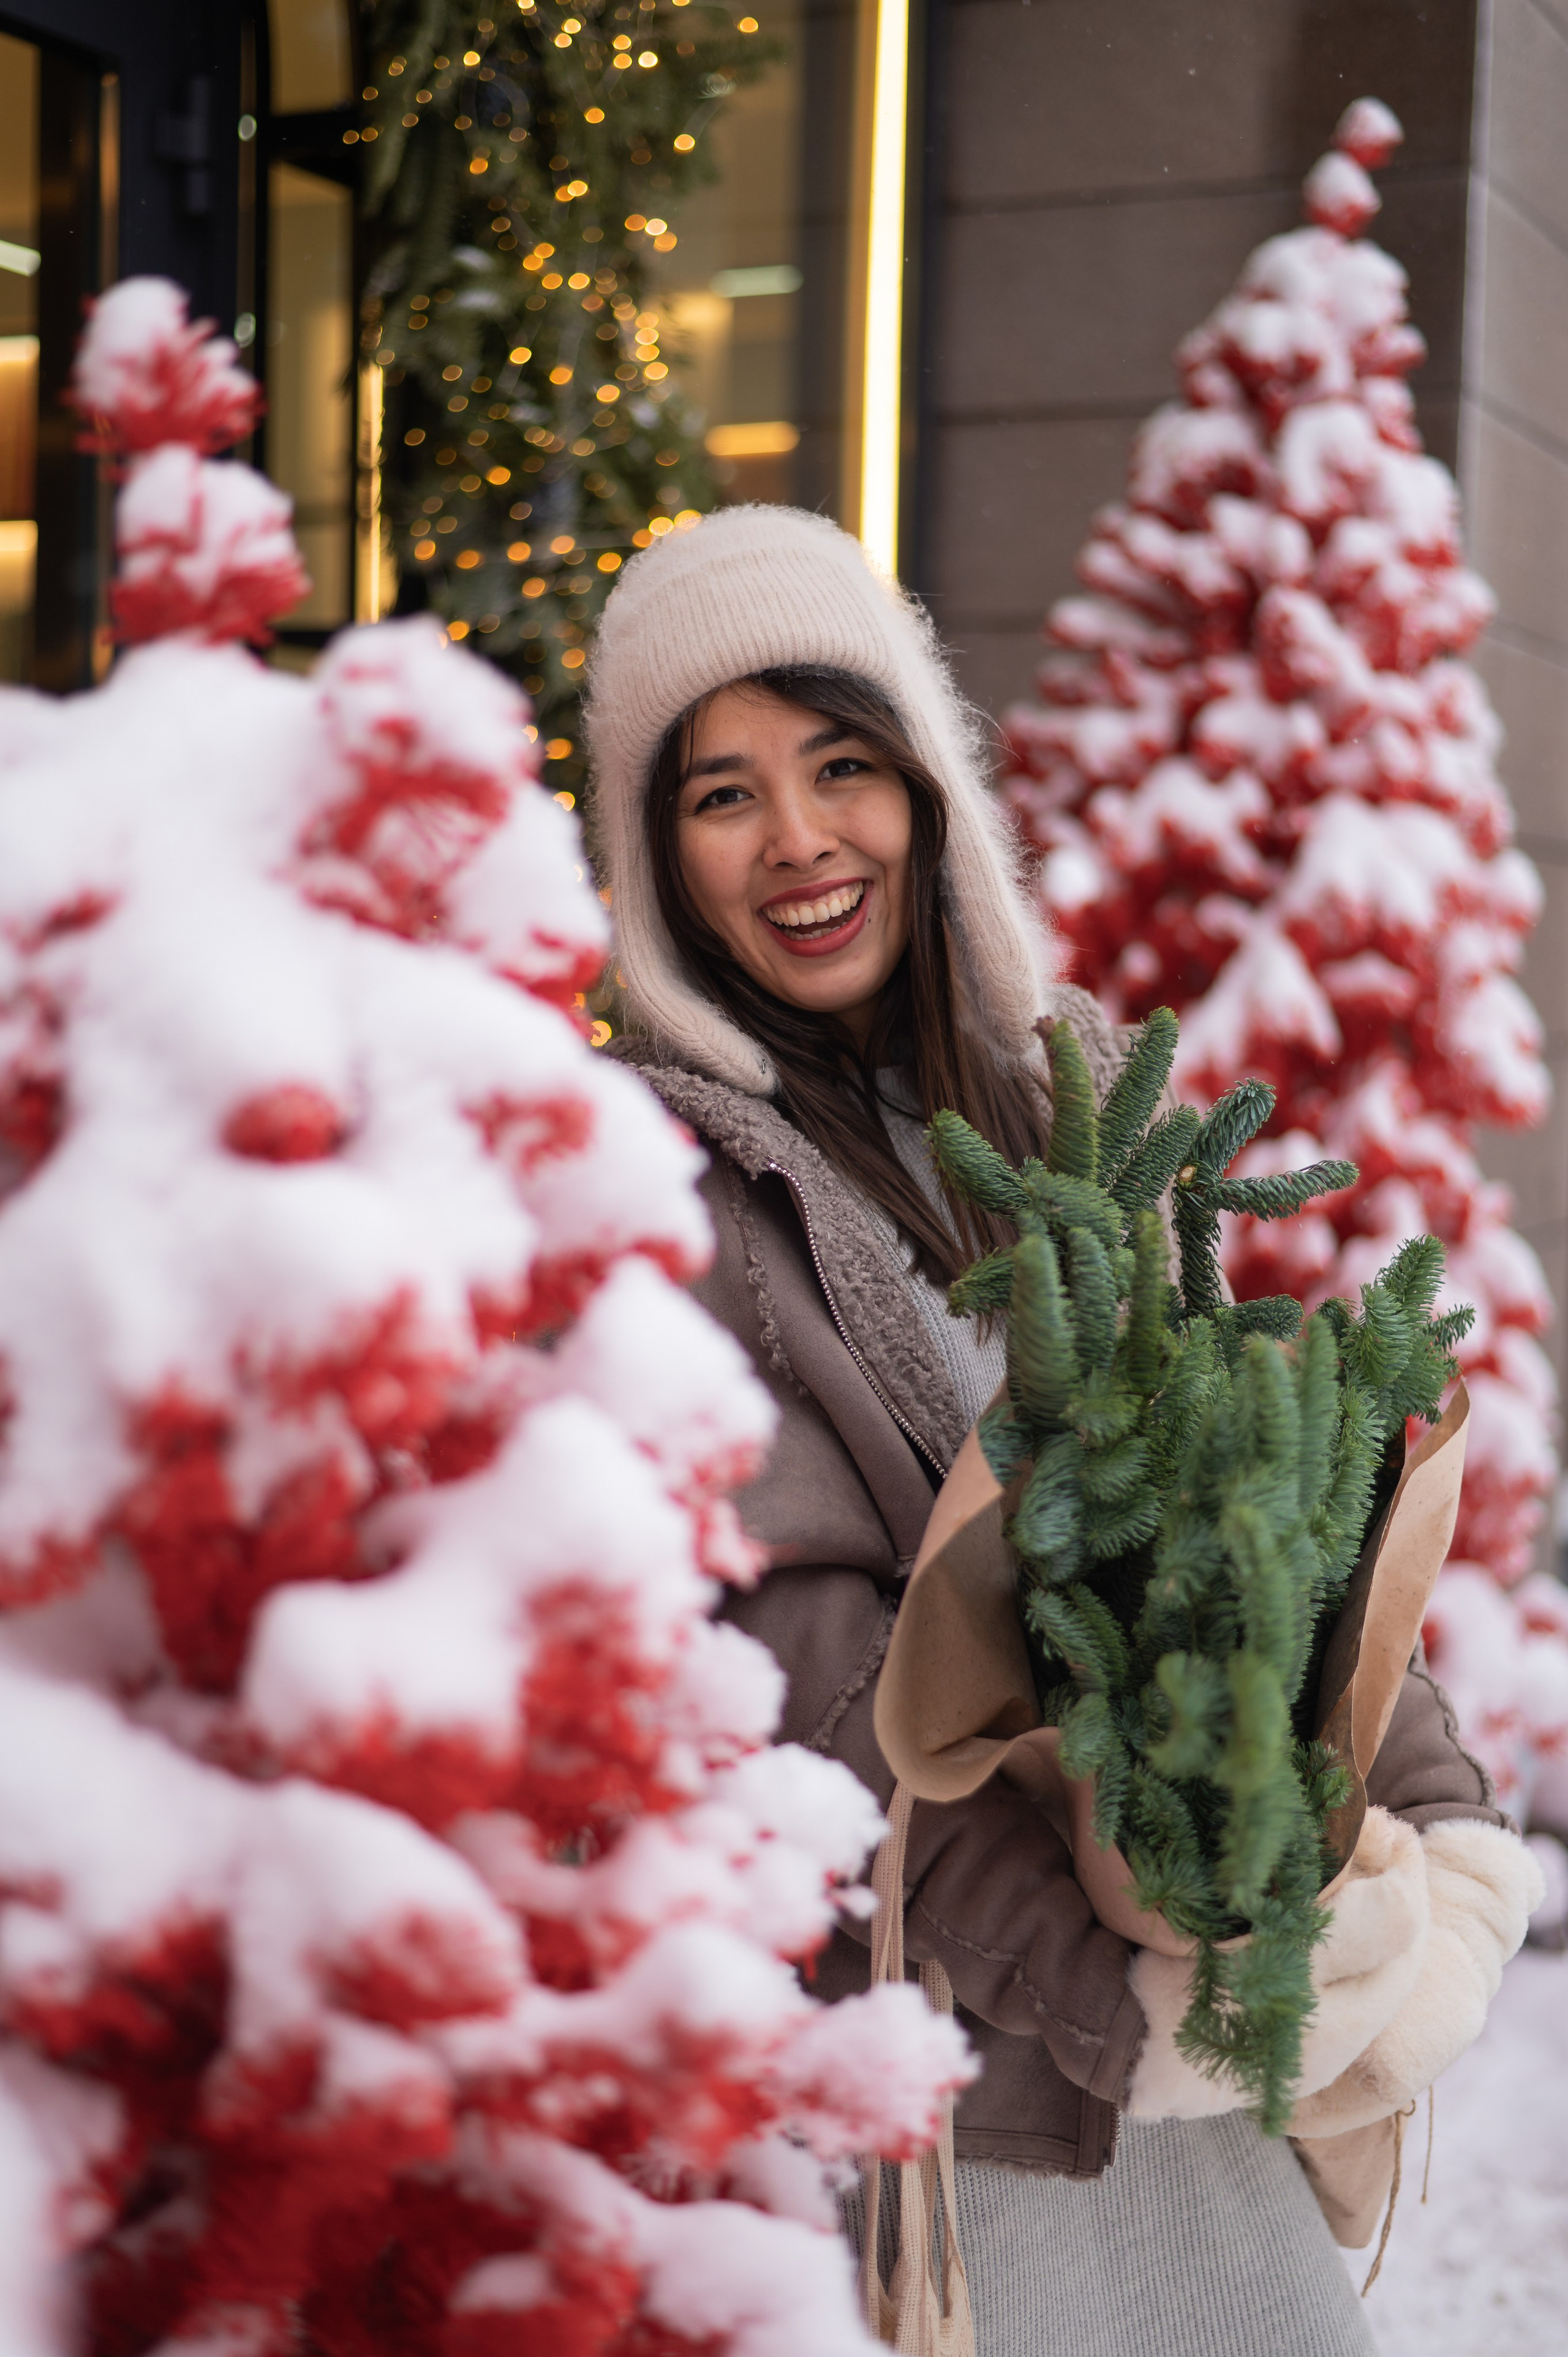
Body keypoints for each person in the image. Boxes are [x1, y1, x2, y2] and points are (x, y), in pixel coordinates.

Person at [584, 505, 1539, 2357]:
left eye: (840, 762)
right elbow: (812, 1675)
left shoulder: (1067, 1111)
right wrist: (1132, 2004)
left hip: (1158, 2011)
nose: (798, 840)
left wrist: (1424, 1822)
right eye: (721, 794)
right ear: (655, 858)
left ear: (927, 786)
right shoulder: (657, 1196)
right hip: (938, 2089)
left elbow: (1256, 1488)